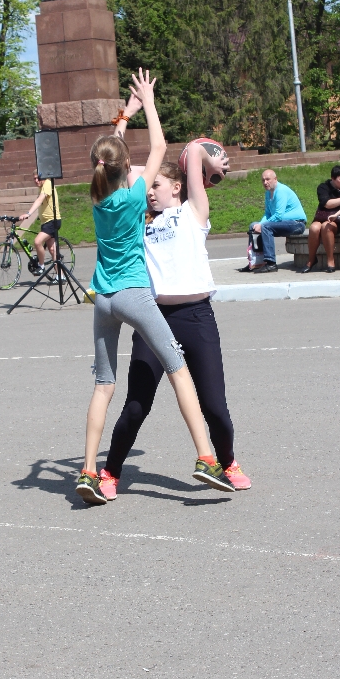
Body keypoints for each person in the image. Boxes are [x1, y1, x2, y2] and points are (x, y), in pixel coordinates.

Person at [76, 68, 229, 506]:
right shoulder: (132, 199)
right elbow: (159, 147)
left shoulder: (99, 199)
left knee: (103, 386)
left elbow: (109, 155)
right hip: (134, 296)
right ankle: (206, 458)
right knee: (178, 370)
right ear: (128, 169)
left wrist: (124, 117)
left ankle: (88, 471)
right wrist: (148, 102)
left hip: (102, 299)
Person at [96, 139, 252, 500]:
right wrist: (124, 134)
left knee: (214, 406)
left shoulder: (194, 211)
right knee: (137, 405)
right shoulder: (139, 222)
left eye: (157, 185)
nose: (149, 191)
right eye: (148, 187)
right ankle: (110, 471)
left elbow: (194, 150)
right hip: (154, 318)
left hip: (197, 317)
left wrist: (209, 160)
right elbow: (122, 169)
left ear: (178, 186)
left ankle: (227, 462)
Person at [241, 170, 306, 273]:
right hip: (283, 223)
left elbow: (278, 216)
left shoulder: (281, 191)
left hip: (297, 224)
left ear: (275, 179)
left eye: (268, 179)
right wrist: (259, 224)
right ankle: (255, 262)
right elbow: (268, 214)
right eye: (263, 180)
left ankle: (271, 263)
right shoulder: (268, 193)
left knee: (265, 227)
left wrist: (262, 225)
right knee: (253, 225)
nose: (265, 182)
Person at [302, 165, 340, 273]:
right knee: (314, 228)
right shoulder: (323, 187)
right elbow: (327, 204)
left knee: (326, 226)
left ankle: (330, 260)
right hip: (323, 217)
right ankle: (311, 259)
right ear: (333, 178)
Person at [19, 170, 61, 275]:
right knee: (52, 250)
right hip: (46, 222)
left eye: (38, 178)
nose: (36, 180)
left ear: (43, 177)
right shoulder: (42, 187)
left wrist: (28, 213)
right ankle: (60, 276)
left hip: (52, 221)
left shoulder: (48, 183)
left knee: (37, 242)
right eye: (34, 178)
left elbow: (39, 201)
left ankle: (41, 266)